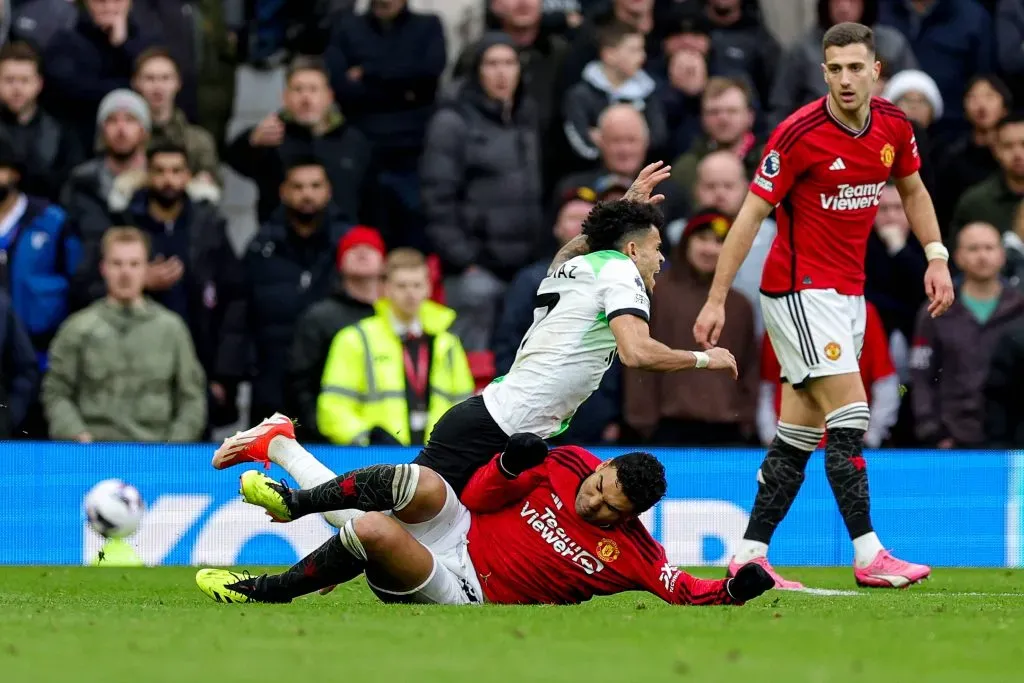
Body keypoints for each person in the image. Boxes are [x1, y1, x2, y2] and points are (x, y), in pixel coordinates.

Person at [217, 163, 738, 504]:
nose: (661, 259)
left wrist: (616, 213)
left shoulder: (579, 265)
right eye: (654, 248)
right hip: (497, 427)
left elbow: (575, 249)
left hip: (504, 423)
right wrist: (703, 361)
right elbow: (637, 351)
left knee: (405, 526)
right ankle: (286, 465)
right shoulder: (621, 273)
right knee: (392, 516)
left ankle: (293, 472)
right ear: (630, 251)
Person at [692, 22, 955, 590]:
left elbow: (912, 189)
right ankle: (868, 554)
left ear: (876, 70)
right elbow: (748, 219)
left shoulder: (892, 126)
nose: (845, 79)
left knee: (798, 435)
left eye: (856, 67)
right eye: (834, 68)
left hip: (846, 294)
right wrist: (717, 297)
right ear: (824, 72)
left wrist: (936, 256)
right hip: (797, 292)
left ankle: (749, 554)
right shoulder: (797, 134)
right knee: (851, 417)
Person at [196, 418, 774, 607]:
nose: (591, 500)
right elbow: (476, 497)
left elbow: (684, 590)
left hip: (465, 588)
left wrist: (734, 590)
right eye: (599, 485)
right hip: (463, 526)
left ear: (629, 517)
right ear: (602, 466)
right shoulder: (569, 461)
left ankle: (269, 590)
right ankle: (295, 496)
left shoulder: (633, 556)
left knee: (370, 529)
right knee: (417, 482)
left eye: (607, 508)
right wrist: (507, 468)